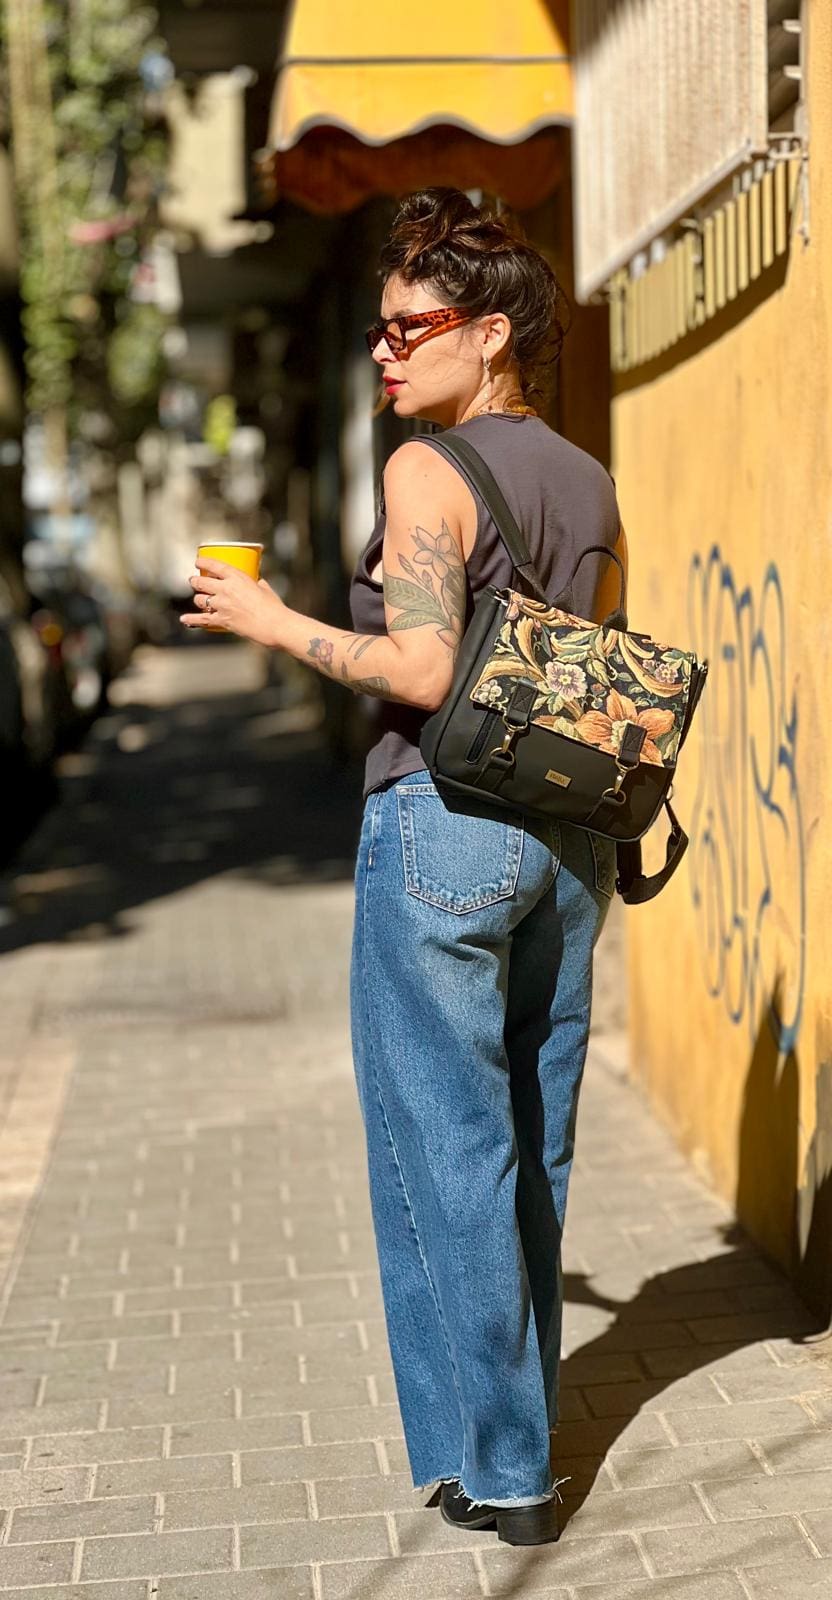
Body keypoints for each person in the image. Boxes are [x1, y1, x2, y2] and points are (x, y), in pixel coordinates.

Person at [181, 188, 625, 1547]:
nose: (384, 350)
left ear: (490, 334)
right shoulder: (588, 479)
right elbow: (581, 670)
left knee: (446, 1148)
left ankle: (503, 1466)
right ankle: (513, 1433)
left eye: (410, 328)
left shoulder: (428, 471)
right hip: (566, 845)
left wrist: (271, 620)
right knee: (532, 1145)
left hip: (442, 826)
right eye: (378, 329)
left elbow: (426, 672)